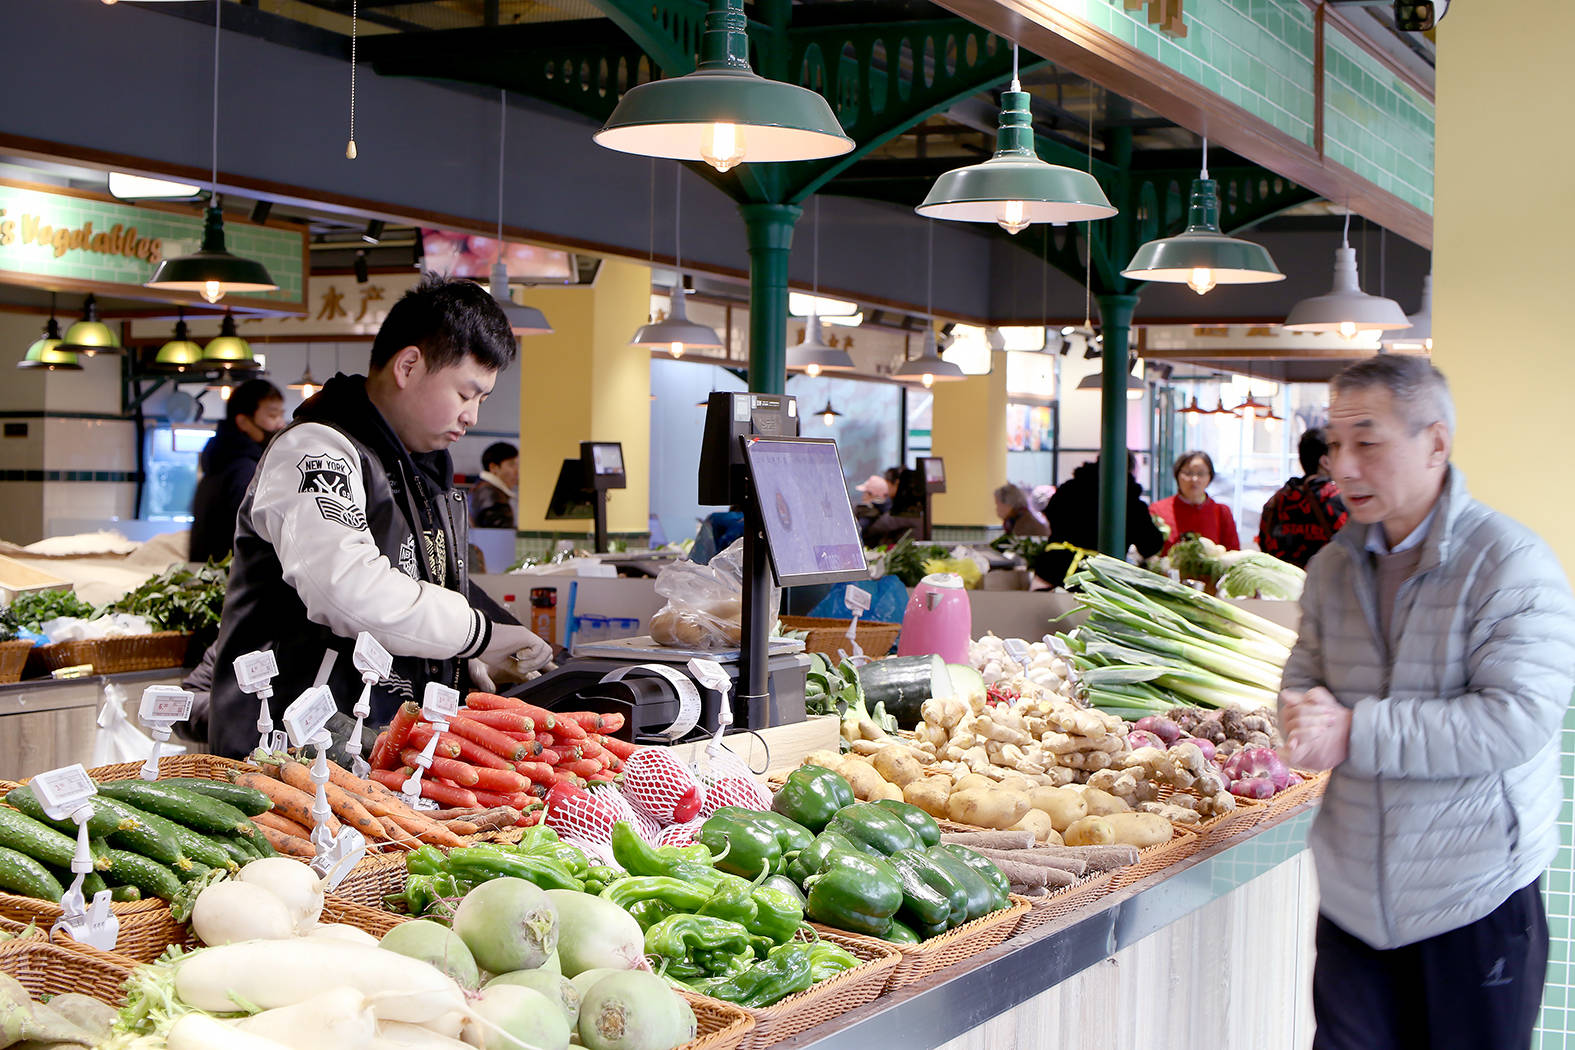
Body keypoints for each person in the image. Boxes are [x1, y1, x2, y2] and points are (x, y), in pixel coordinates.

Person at [1279, 355, 1575, 1050]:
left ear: (1434, 444)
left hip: (1471, 895)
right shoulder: (1330, 569)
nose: (1341, 467)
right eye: (1333, 444)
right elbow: (1300, 678)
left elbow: (1516, 720)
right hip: (1354, 900)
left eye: (1367, 442)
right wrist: (1297, 716)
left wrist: (1354, 732)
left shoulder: (1509, 562)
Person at [205, 276, 550, 759]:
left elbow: (425, 580)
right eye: (465, 393)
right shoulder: (318, 448)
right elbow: (347, 590)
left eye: (482, 400)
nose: (472, 415)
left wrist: (476, 653)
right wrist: (479, 635)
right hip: (286, 752)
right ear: (409, 365)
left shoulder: (419, 470)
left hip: (375, 743)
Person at [188, 379, 286, 563]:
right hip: (230, 581)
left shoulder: (220, 462)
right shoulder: (245, 471)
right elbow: (255, 536)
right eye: (273, 416)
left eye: (282, 415)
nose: (281, 424)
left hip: (211, 577)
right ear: (243, 422)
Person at [1038, 452, 1164, 585]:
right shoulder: (1129, 501)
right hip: (1097, 579)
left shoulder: (1068, 488)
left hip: (1050, 570)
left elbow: (1051, 515)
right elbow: (1150, 545)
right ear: (1131, 470)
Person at [1257, 427, 1348, 567]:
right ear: (1325, 462)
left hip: (1281, 584)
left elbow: (1264, 546)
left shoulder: (1276, 500)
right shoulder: (1338, 498)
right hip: (1327, 584)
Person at [1150, 451, 1240, 554]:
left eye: (1201, 474)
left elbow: (1233, 552)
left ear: (1210, 477)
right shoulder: (1157, 510)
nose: (1194, 479)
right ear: (1177, 475)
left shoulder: (1222, 512)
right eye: (1188, 473)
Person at [469, 441, 518, 529]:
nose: (517, 471)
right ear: (493, 468)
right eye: (511, 465)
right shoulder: (490, 494)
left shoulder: (482, 488)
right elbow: (498, 535)